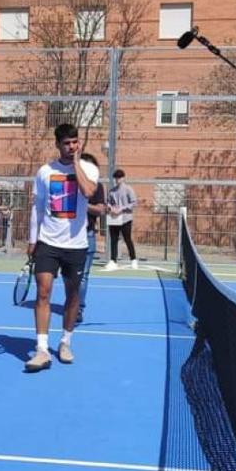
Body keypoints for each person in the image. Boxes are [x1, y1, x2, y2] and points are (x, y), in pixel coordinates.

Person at [25, 123, 99, 373]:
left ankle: (66, 342)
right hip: (48, 242)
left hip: (76, 245)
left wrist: (76, 164)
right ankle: (42, 349)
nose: (71, 147)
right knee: (43, 293)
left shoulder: (88, 169)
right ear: (58, 145)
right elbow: (38, 207)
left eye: (75, 142)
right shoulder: (45, 172)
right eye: (66, 143)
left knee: (73, 296)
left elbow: (88, 191)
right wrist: (32, 240)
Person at [77, 153, 106, 324]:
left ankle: (78, 308)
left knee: (83, 275)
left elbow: (100, 210)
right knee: (70, 276)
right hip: (68, 237)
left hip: (88, 235)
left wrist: (83, 205)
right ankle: (72, 302)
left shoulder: (98, 187)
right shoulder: (69, 185)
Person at [105, 169, 139, 270]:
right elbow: (108, 202)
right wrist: (111, 208)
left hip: (126, 218)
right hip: (114, 218)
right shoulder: (112, 191)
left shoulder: (128, 189)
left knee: (127, 239)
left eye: (119, 177)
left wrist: (122, 208)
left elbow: (134, 203)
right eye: (116, 178)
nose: (117, 180)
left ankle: (133, 260)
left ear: (123, 178)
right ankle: (113, 260)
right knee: (114, 239)